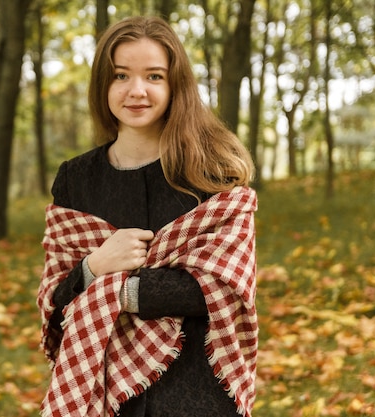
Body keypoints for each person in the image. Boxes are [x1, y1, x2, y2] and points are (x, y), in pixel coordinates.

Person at [37, 16, 258, 417]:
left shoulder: (213, 172)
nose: (136, 91)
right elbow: (55, 298)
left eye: (154, 76)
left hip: (196, 390)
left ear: (175, 85)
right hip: (102, 393)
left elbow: (224, 287)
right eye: (121, 75)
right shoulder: (75, 179)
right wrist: (94, 266)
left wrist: (116, 291)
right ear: (103, 84)